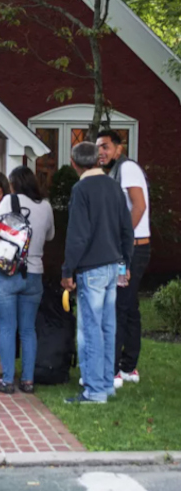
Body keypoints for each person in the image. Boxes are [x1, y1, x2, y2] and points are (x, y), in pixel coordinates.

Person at [61, 141, 134, 405]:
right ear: (98, 160)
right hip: (113, 265)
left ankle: (94, 391)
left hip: (90, 268)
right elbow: (127, 229)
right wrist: (125, 265)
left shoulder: (81, 189)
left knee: (90, 330)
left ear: (74, 163)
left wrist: (68, 269)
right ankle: (105, 384)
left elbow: (78, 235)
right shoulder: (114, 187)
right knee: (107, 327)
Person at [0, 167, 55, 395]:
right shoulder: (45, 205)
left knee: (7, 327)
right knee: (28, 329)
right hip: (34, 273)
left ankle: (7, 380)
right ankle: (28, 380)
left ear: (13, 184)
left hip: (7, 271)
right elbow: (51, 235)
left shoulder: (8, 201)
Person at [97, 129, 151, 387]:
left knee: (119, 306)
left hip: (133, 248)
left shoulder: (127, 168)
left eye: (106, 147)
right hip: (134, 247)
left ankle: (116, 370)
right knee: (129, 308)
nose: (101, 152)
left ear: (119, 148)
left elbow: (139, 206)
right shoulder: (117, 171)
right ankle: (129, 367)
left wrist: (122, 243)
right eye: (98, 148)